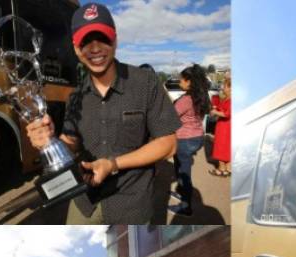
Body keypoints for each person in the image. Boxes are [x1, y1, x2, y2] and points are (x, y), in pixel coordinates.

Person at [26, 3, 180, 224]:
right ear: (76, 48)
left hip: (131, 205)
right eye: (86, 41)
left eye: (103, 38)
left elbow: (168, 143)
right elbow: (71, 142)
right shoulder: (75, 97)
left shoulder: (145, 83)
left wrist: (112, 164)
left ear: (115, 40)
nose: (95, 48)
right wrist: (50, 143)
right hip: (84, 202)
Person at [168, 64, 211, 217]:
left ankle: (186, 207)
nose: (180, 81)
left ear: (190, 81)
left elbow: (170, 118)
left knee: (183, 173)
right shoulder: (201, 96)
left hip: (184, 140)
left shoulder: (186, 100)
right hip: (197, 137)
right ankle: (183, 194)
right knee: (181, 169)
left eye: (182, 79)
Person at [209, 78, 231, 177]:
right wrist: (215, 107)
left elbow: (227, 114)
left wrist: (215, 112)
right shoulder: (226, 98)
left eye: (225, 86)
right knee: (225, 147)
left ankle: (221, 169)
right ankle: (226, 169)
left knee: (221, 146)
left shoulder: (231, 100)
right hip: (223, 125)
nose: (223, 88)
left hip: (225, 127)